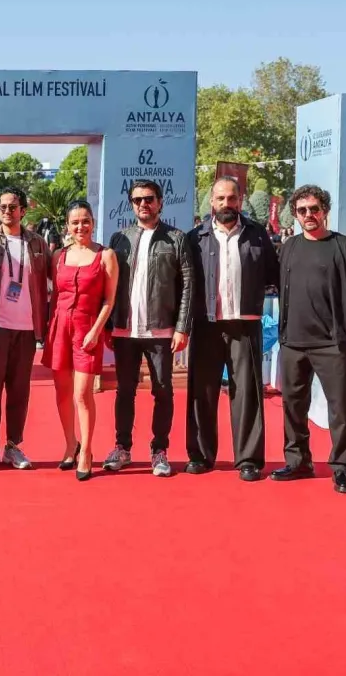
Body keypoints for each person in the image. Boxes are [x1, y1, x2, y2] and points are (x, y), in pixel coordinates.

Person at [272, 185, 346, 494]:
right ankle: (298, 461)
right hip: (293, 341)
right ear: (295, 214)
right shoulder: (288, 247)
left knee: (340, 409)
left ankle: (341, 468)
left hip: (333, 343)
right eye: (302, 210)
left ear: (324, 211)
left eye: (314, 209)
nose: (309, 215)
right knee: (293, 406)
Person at [184, 177, 278, 481]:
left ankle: (248, 459)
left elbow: (274, 274)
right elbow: (184, 283)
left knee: (247, 393)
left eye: (232, 198)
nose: (227, 204)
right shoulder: (195, 237)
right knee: (202, 392)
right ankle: (200, 456)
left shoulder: (257, 234)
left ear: (240, 200)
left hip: (245, 324)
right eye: (221, 198)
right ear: (212, 202)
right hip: (206, 324)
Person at [104, 179, 194, 477]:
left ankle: (159, 450)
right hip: (125, 330)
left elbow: (188, 286)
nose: (143, 204)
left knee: (163, 390)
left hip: (161, 330)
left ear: (160, 202)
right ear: (131, 204)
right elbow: (109, 285)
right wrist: (108, 325)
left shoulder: (176, 239)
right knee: (124, 391)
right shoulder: (119, 239)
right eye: (137, 199)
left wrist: (182, 327)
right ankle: (122, 447)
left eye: (149, 199)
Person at [0, 187, 53, 471]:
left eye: (13, 207)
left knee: (19, 390)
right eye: (3, 207)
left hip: (27, 328)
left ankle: (13, 445)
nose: (8, 211)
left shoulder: (37, 243)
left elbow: (54, 279)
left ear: (23, 211)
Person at [42, 200, 118, 478]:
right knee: (62, 392)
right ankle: (70, 444)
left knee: (82, 393)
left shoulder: (106, 255)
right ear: (67, 226)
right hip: (60, 327)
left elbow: (109, 299)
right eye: (75, 222)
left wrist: (96, 330)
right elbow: (54, 296)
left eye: (85, 221)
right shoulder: (58, 256)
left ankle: (86, 449)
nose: (80, 226)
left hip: (88, 328)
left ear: (93, 223)